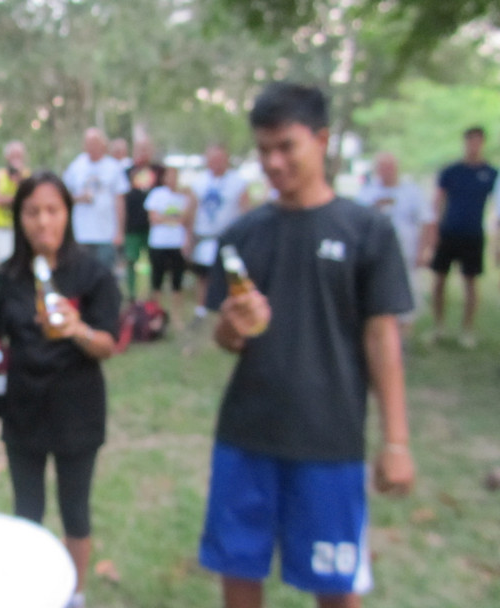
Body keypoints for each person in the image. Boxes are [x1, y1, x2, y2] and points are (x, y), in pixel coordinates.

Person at [199, 82, 415, 608]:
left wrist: (396, 442)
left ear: (320, 140)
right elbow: (226, 338)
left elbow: (382, 336)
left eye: (286, 146)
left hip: (328, 440)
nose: (273, 162)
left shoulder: (367, 231)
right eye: (264, 150)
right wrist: (232, 325)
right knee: (238, 569)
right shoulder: (241, 236)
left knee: (335, 585)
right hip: (246, 434)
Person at [0, 172, 121, 608]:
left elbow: (108, 345)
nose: (43, 221)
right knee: (26, 511)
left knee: (75, 511)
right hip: (23, 405)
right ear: (19, 218)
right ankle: (29, 592)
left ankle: (75, 594)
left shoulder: (92, 273)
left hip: (77, 408)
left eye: (53, 210)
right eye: (32, 212)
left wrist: (77, 328)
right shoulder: (9, 274)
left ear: (68, 214)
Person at [427, 126, 498, 348]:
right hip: (449, 232)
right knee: (439, 280)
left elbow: (496, 206)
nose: (473, 145)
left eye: (478, 141)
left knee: (471, 282)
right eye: (470, 141)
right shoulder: (452, 171)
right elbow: (438, 200)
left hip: (473, 234)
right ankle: (438, 326)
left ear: (482, 143)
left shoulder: (491, 174)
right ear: (465, 143)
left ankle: (467, 330)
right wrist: (434, 230)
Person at [357, 152, 436, 342]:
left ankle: (403, 341)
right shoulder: (367, 192)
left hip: (407, 254)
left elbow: (427, 222)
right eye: (382, 167)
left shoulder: (412, 191)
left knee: (408, 298)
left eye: (389, 167)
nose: (386, 171)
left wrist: (425, 250)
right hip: (374, 256)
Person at [184, 143, 250, 325]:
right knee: (203, 276)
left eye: (219, 159)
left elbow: (246, 211)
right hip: (205, 237)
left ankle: (232, 311)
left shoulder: (238, 182)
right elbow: (190, 211)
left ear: (226, 159)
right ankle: (201, 310)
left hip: (230, 239)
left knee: (233, 276)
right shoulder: (199, 183)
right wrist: (188, 238)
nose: (215, 163)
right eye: (212, 159)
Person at [62, 128, 129, 271]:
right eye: (88, 143)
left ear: (103, 144)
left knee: (104, 273)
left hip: (106, 235)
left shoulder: (113, 167)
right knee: (82, 273)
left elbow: (120, 201)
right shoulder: (76, 165)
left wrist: (119, 231)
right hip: (81, 234)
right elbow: (63, 195)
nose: (92, 146)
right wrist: (79, 198)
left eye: (95, 142)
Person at [144, 165, 188, 329]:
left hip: (177, 244)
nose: (172, 180)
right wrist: (173, 219)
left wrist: (165, 218)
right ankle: (156, 316)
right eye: (169, 176)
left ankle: (176, 317)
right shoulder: (156, 194)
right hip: (158, 243)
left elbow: (185, 219)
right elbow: (153, 218)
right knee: (157, 280)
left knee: (177, 282)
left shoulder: (184, 196)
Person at [123, 137, 157, 302]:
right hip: (132, 226)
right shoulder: (125, 172)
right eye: (139, 150)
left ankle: (152, 295)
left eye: (146, 149)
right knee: (131, 261)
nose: (143, 154)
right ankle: (132, 295)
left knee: (154, 262)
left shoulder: (159, 172)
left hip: (154, 228)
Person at [0, 141, 29, 264]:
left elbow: (30, 200)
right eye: (13, 154)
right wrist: (19, 198)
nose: (16, 158)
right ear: (7, 156)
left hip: (23, 228)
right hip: (3, 228)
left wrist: (20, 180)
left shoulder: (27, 175)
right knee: (3, 263)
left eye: (19, 155)